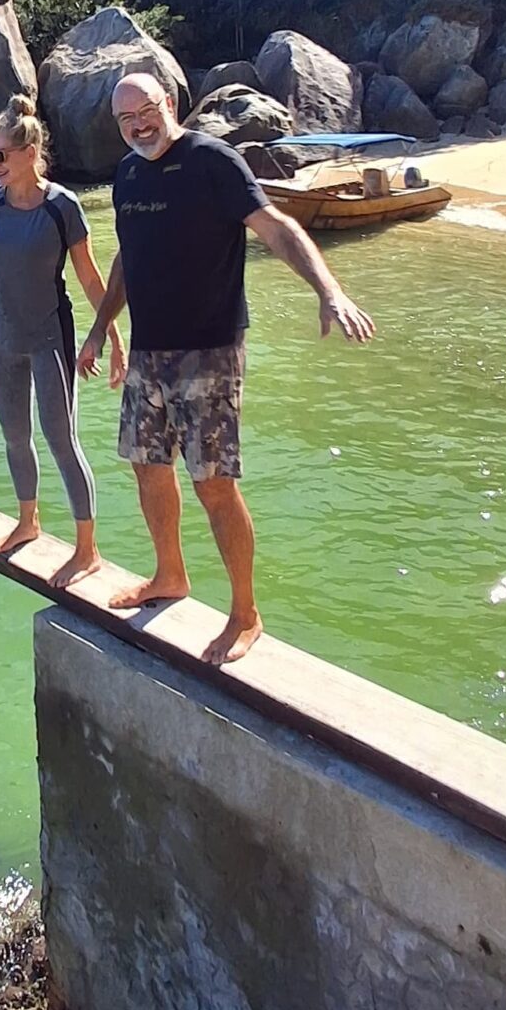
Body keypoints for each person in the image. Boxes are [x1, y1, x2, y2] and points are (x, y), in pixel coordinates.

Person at [78, 72, 375, 665]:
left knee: (214, 484)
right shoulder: (129, 174)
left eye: (145, 111)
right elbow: (126, 261)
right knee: (146, 467)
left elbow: (279, 228)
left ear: (169, 103)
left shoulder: (215, 161)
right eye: (124, 119)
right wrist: (98, 329)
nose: (137, 125)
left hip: (209, 348)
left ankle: (245, 612)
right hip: (148, 349)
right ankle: (170, 576)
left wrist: (329, 290)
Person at [0, 95, 125, 587]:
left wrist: (111, 336)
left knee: (61, 440)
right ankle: (28, 521)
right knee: (15, 437)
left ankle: (87, 549)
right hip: (3, 341)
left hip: (51, 338)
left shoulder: (62, 207)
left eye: (0, 155)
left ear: (29, 151)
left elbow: (93, 279)